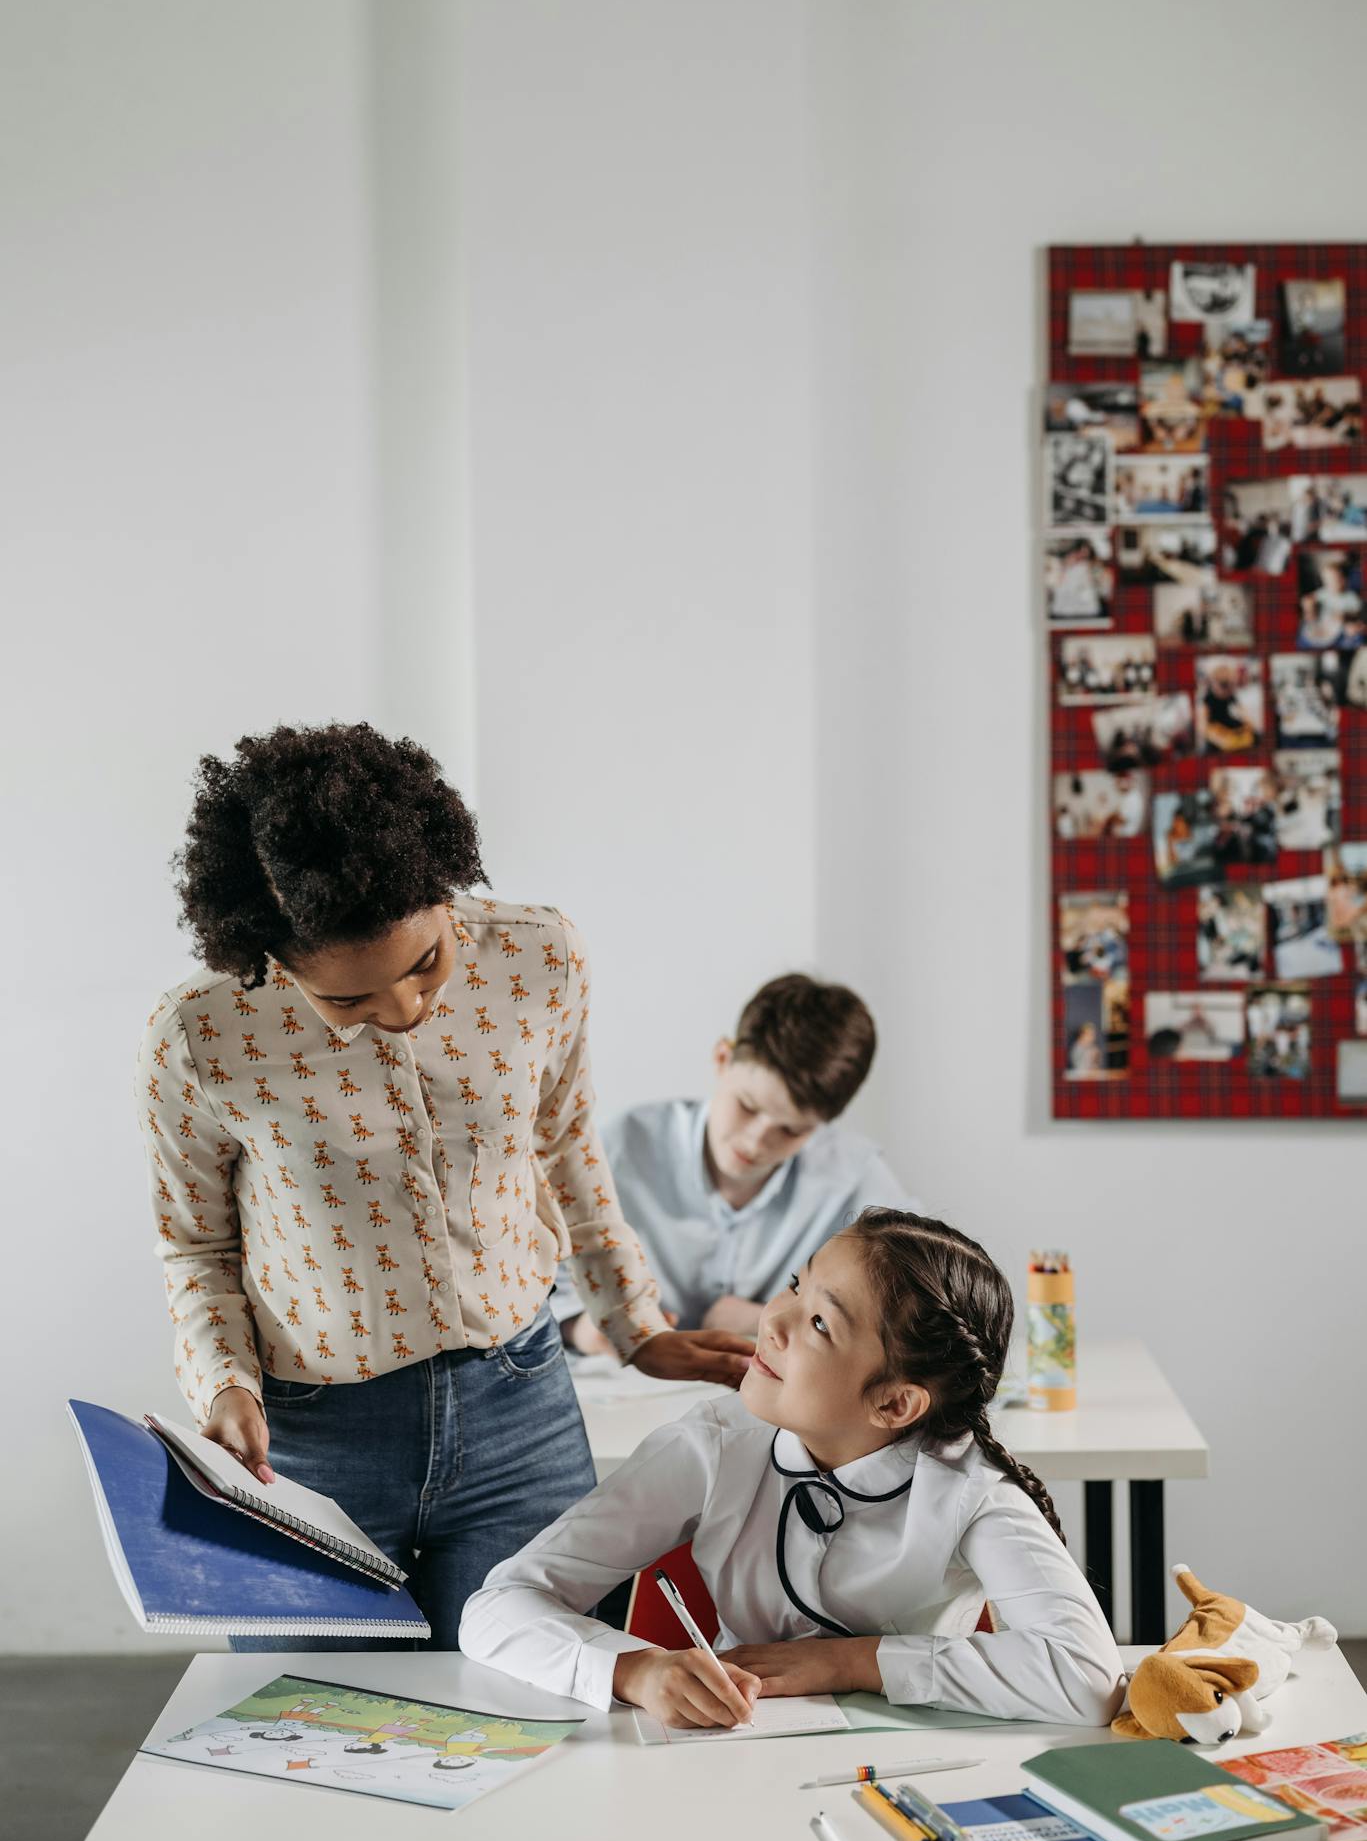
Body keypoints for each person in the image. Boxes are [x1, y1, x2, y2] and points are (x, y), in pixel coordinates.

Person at [134, 722, 754, 1649]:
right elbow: (197, 1243)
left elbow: (565, 1145)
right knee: (318, 1733)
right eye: (347, 1001)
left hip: (522, 1408)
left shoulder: (540, 960)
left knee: (538, 1718)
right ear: (272, 954)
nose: (404, 1010)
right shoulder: (204, 1035)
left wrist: (636, 1326)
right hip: (311, 1440)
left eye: (426, 963)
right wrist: (222, 1385)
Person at [461, 1210, 1126, 1728]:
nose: (772, 1321)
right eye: (793, 1286)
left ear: (894, 1402)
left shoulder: (968, 1489)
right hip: (724, 1762)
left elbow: (1086, 1678)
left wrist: (849, 1661)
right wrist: (631, 1670)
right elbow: (496, 1607)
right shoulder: (713, 1444)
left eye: (817, 1322)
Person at [552, 973, 907, 1349]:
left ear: (824, 1124)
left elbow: (917, 1305)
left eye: (790, 1131)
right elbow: (526, 1285)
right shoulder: (617, 1148)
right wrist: (580, 1329)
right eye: (747, 1106)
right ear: (722, 1058)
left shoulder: (855, 1178)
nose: (756, 1141)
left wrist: (767, 1317)